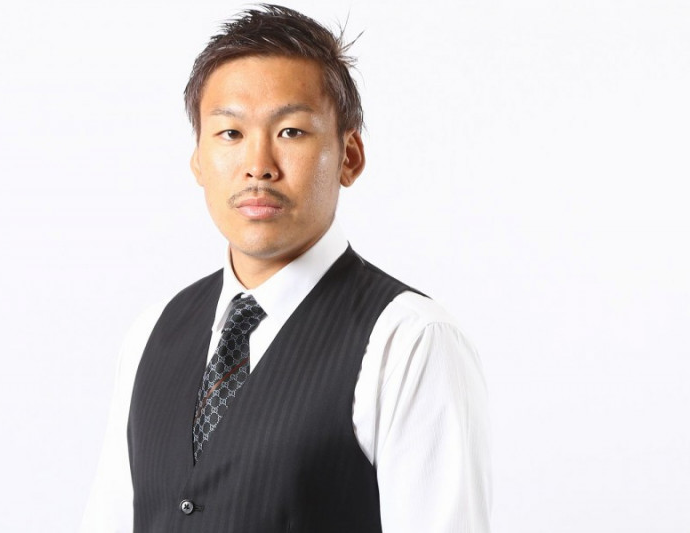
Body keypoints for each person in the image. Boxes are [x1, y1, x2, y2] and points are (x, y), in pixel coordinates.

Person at [81, 4, 491, 532]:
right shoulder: (152, 333)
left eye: (292, 131)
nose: (258, 166)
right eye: (230, 133)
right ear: (198, 159)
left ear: (349, 156)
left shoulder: (409, 341)